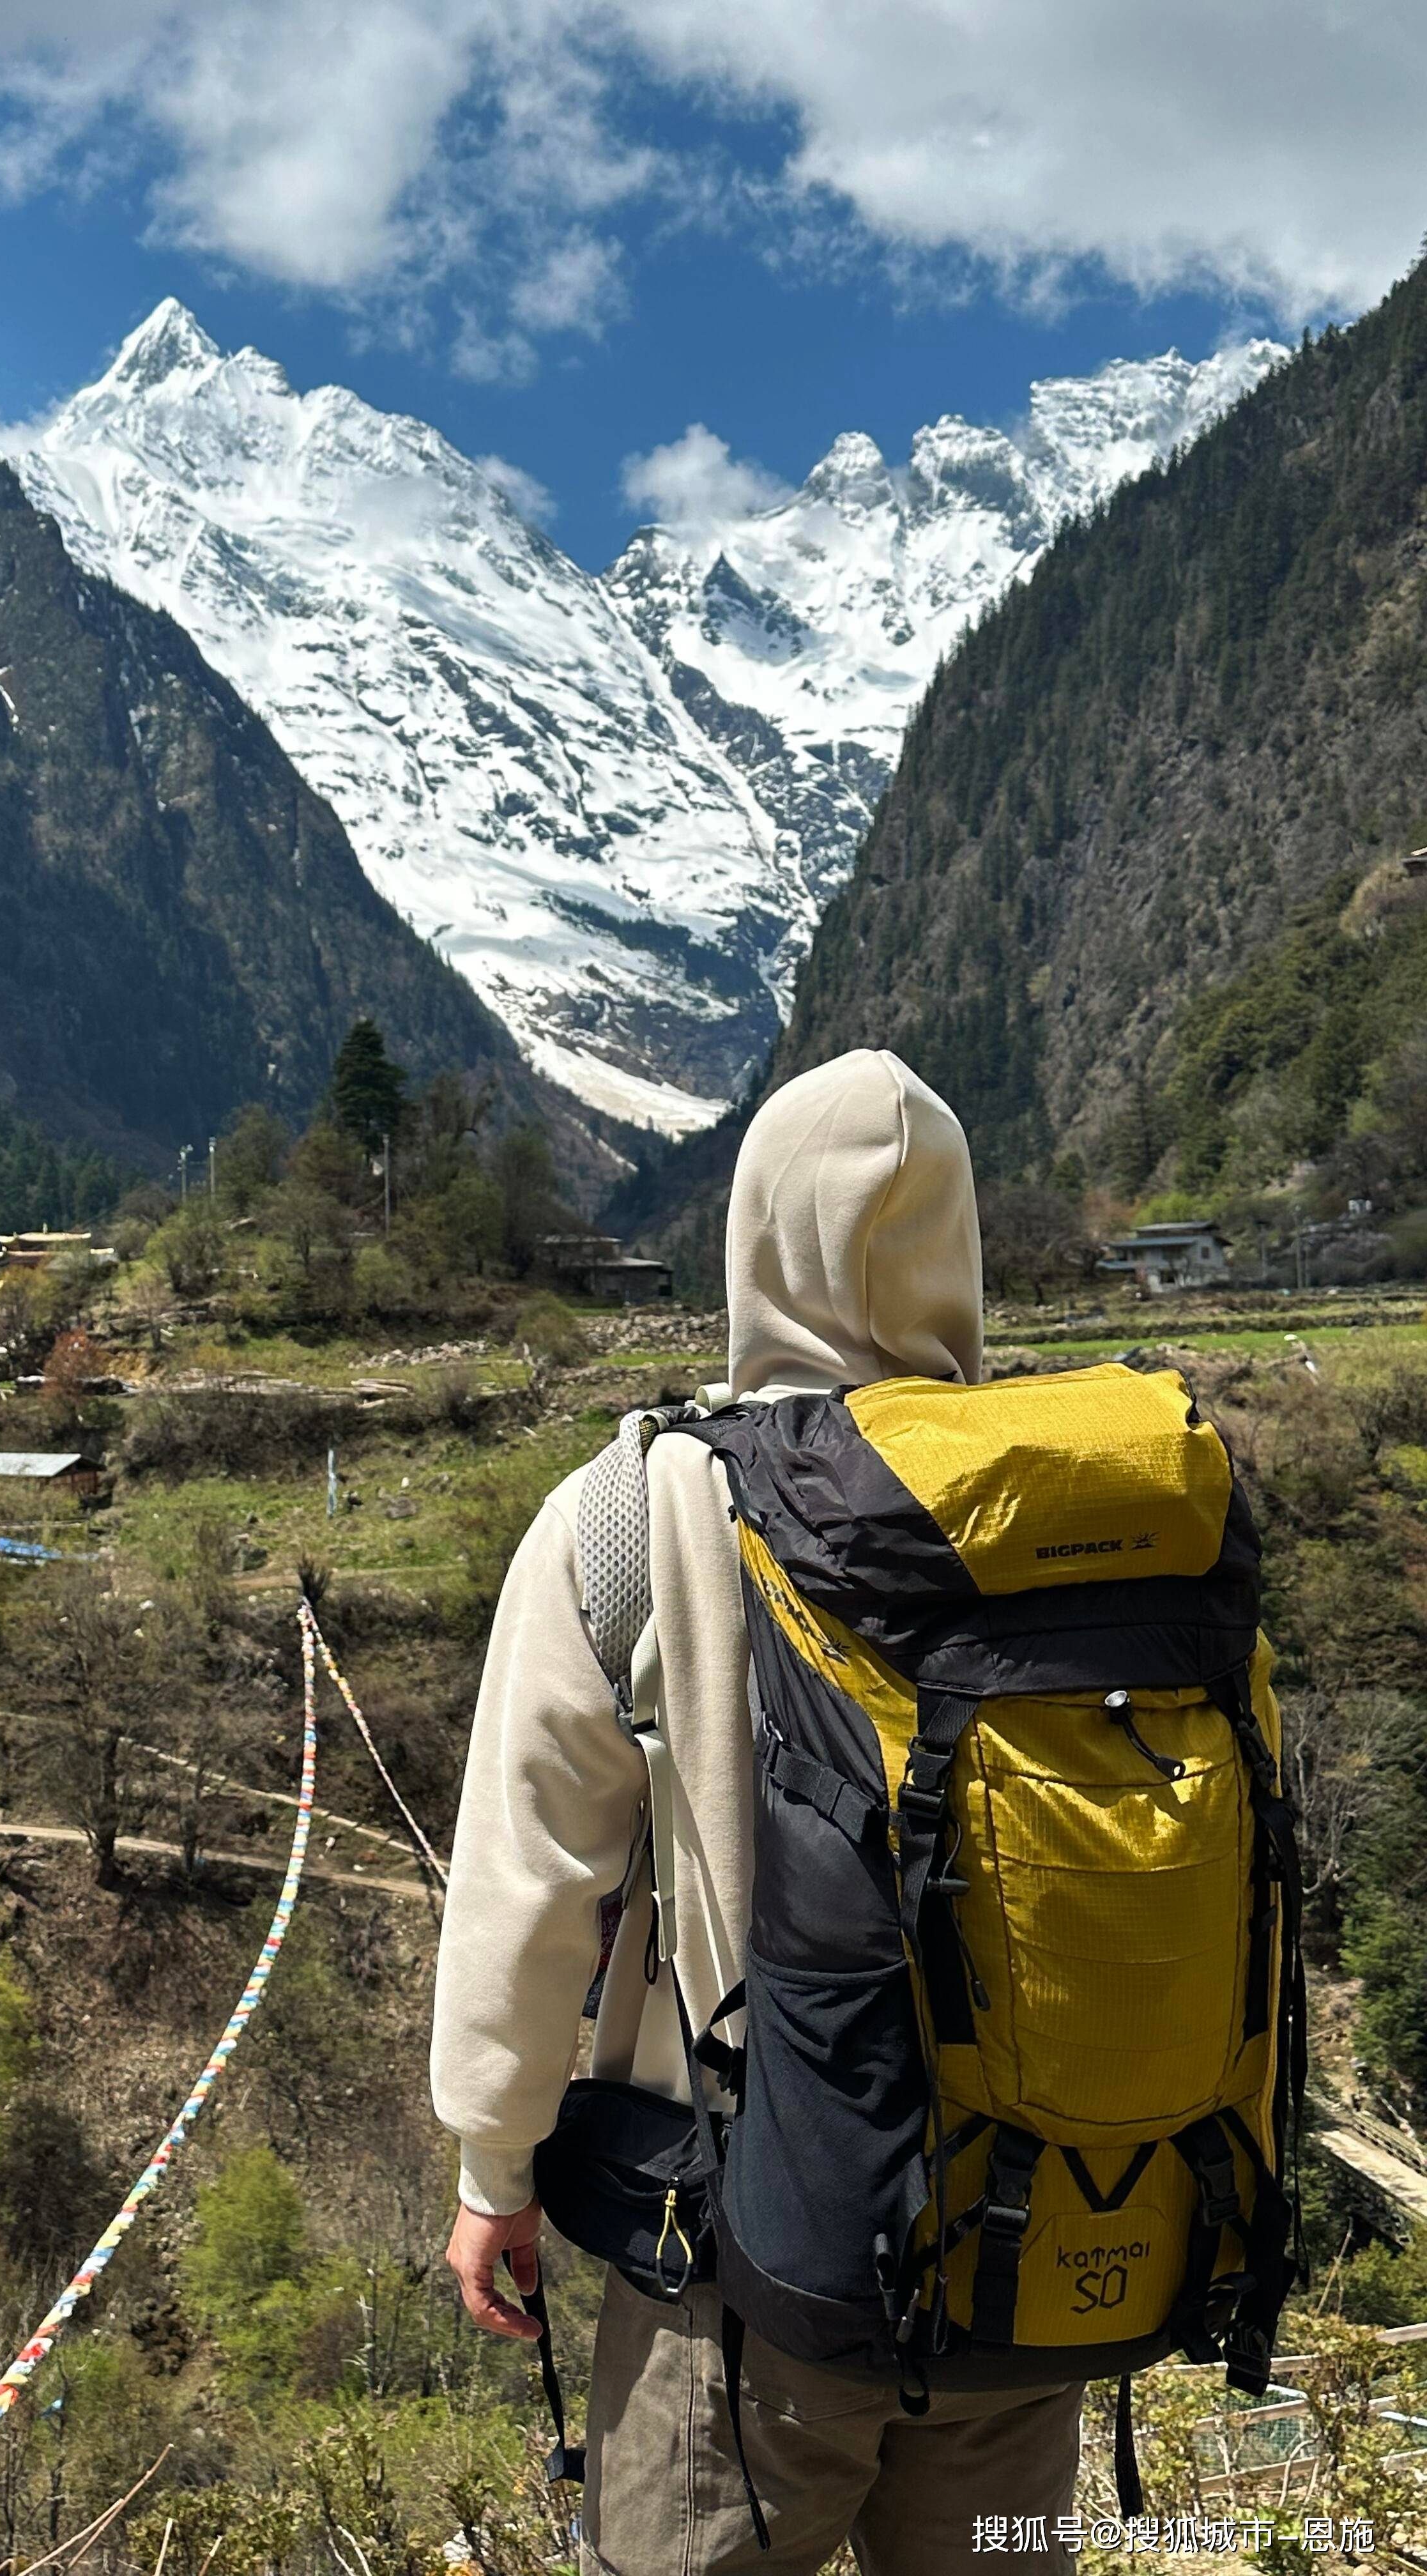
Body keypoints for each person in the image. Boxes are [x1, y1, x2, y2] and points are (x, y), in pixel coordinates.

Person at [430, 1049, 1085, 2576]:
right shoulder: (1079, 1500)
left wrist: (495, 2171)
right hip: (1034, 2242)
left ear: (751, 1241)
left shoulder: (632, 1510)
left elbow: (528, 1887)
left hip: (743, 2272)